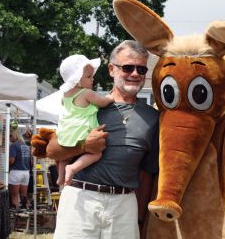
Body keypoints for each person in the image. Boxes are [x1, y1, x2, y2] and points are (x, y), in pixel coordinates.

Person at [53, 40, 159, 239]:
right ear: (112, 69)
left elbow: (146, 174)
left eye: (141, 69)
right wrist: (84, 145)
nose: (135, 74)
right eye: (127, 67)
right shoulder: (87, 102)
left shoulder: (153, 118)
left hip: (124, 206)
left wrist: (141, 218)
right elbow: (52, 150)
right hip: (80, 199)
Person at [55, 54, 113, 185]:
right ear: (76, 79)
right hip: (82, 132)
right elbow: (103, 102)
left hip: (66, 132)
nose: (92, 79)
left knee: (65, 156)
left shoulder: (65, 95)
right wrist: (110, 98)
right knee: (96, 154)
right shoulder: (86, 93)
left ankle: (60, 176)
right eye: (88, 77)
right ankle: (73, 168)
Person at [8, 128, 31, 210]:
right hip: (26, 172)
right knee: (23, 196)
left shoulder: (14, 145)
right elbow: (30, 161)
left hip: (16, 172)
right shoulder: (25, 146)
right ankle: (25, 213)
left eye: (10, 135)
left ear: (15, 135)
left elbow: (11, 161)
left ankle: (16, 214)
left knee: (14, 195)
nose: (9, 138)